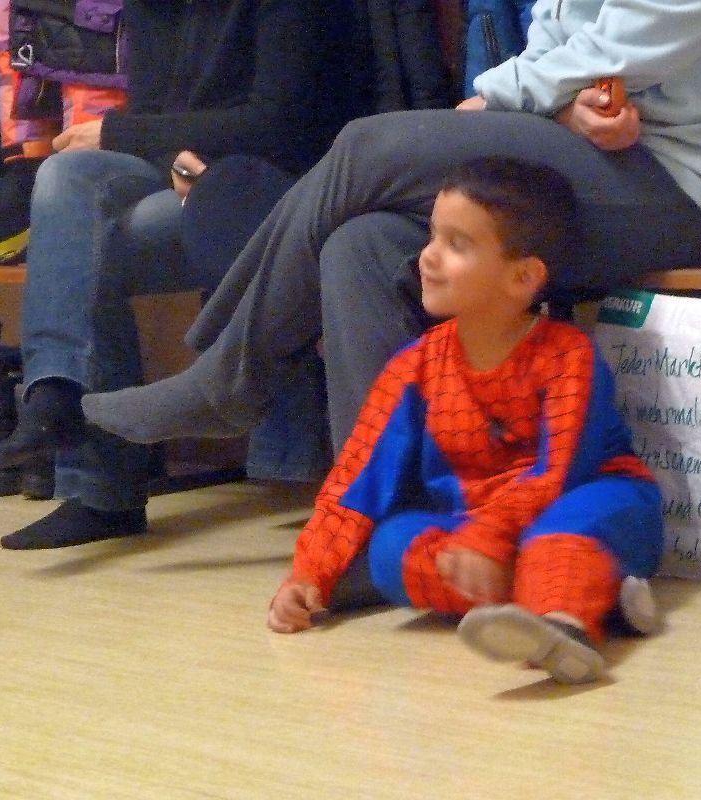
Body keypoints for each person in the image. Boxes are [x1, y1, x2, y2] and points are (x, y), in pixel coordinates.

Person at [79, 0, 701, 463]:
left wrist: (491, 101)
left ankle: (227, 376)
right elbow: (561, 51)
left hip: (698, 195)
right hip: (605, 167)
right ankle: (377, 516)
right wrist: (560, 109)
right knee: (362, 242)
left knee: (370, 146)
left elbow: (631, 42)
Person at [266, 157, 663, 685]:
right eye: (433, 235)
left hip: (588, 505)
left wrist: (491, 538)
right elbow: (357, 478)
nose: (428, 256)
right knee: (391, 548)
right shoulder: (414, 367)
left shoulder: (568, 356)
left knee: (565, 529)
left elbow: (558, 474)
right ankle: (588, 598)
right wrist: (308, 573)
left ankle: (565, 628)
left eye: (456, 244)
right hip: (479, 529)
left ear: (523, 277)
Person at [0, 0, 369, 549]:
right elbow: (156, 117)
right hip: (184, 174)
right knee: (66, 178)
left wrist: (127, 135)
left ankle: (99, 481)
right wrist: (173, 157)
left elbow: (282, 124)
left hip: (278, 184)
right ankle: (56, 392)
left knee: (87, 245)